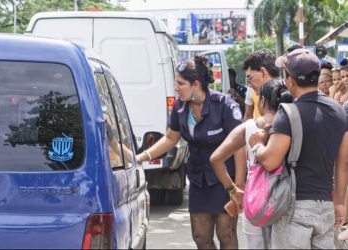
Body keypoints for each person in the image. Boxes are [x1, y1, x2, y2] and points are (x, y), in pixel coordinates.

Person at [136, 55, 246, 249]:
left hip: (224, 180)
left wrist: (238, 186)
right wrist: (142, 157)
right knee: (200, 236)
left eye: (180, 83)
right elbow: (171, 138)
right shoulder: (180, 107)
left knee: (226, 234)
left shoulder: (224, 106)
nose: (176, 88)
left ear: (195, 84)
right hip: (197, 178)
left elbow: (239, 147)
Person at [248, 48, 348, 249]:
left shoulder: (288, 113)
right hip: (326, 207)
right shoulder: (338, 111)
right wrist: (339, 203)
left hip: (294, 208)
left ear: (290, 80)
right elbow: (343, 163)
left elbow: (270, 160)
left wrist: (256, 144)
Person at [210, 79, 293, 249]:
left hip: (256, 202)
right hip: (287, 200)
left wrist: (232, 189)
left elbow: (216, 159)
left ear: (262, 101)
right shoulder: (294, 125)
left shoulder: (249, 127)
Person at [243, 49, 280, 121]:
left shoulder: (287, 93)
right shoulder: (252, 90)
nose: (250, 85)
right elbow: (248, 116)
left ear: (263, 72)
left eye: (250, 78)